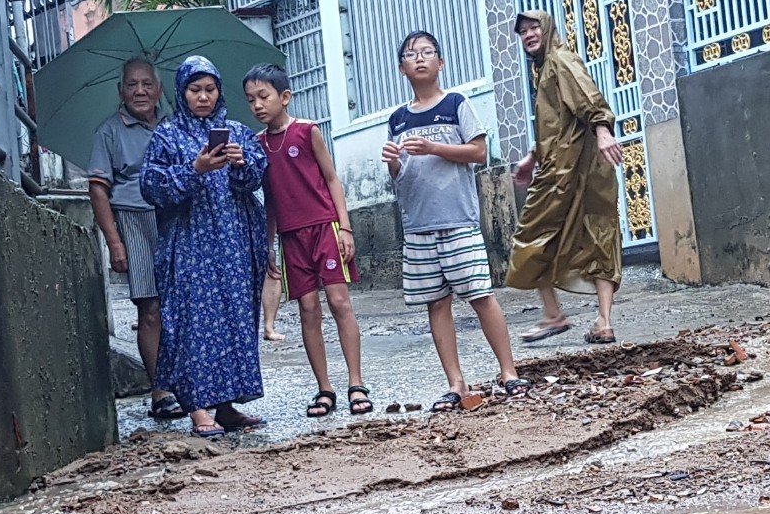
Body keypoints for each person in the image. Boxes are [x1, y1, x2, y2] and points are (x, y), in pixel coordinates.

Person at [382, 30, 528, 412]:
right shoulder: (397, 119)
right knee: (436, 303)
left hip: (459, 219)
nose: (420, 58)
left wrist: (433, 147)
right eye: (411, 54)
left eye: (428, 52)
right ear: (402, 68)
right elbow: (400, 177)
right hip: (418, 225)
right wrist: (393, 161)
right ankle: (455, 383)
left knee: (481, 294)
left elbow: (479, 152)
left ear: (440, 63)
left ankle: (509, 372)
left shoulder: (456, 104)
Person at [138, 55, 270, 438]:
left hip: (232, 246)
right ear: (181, 93)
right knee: (193, 323)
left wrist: (242, 164)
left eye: (210, 90)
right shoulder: (166, 136)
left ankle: (227, 406)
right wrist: (195, 169)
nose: (203, 97)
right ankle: (198, 408)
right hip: (190, 246)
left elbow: (255, 181)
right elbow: (151, 187)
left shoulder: (237, 132)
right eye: (195, 90)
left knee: (233, 320)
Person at [242, 64, 368, 417]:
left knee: (339, 301)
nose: (257, 106)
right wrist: (268, 245)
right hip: (290, 237)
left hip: (323, 227)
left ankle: (355, 383)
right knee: (308, 309)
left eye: (264, 97)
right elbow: (268, 200)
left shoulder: (307, 131)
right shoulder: (257, 146)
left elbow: (331, 179)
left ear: (284, 97)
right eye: (250, 100)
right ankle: (324, 388)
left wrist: (345, 228)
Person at [507, 11, 625, 345]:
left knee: (533, 234)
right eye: (523, 31)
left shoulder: (560, 60)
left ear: (547, 29)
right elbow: (557, 122)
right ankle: (597, 320)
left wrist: (603, 131)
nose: (529, 34)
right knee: (598, 234)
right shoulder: (545, 68)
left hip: (570, 170)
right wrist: (532, 156)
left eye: (534, 28)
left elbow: (590, 99)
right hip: (571, 166)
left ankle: (561, 316)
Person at [87, 58, 183, 420]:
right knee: (151, 308)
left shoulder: (176, 126)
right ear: (121, 92)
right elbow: (98, 189)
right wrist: (115, 242)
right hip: (134, 220)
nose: (140, 91)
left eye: (147, 84)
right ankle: (160, 390)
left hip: (175, 218)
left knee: (186, 306)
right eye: (132, 85)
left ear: (159, 90)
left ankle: (192, 384)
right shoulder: (109, 132)